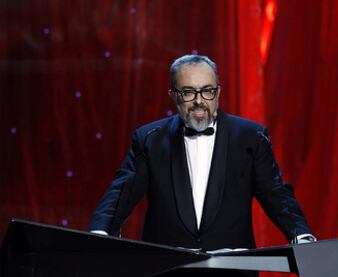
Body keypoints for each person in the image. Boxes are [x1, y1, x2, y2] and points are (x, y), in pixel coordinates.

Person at [89, 54, 315, 274]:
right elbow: (121, 193)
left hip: (233, 270)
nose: (199, 101)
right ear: (173, 95)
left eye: (207, 91)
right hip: (168, 268)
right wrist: (100, 233)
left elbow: (276, 194)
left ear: (218, 91)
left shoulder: (251, 137)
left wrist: (301, 235)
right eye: (188, 92)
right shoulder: (150, 139)